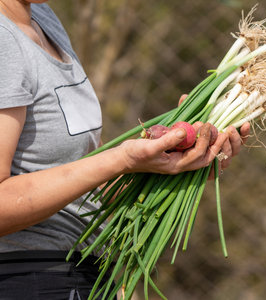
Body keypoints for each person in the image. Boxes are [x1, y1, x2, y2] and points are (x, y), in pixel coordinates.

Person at [0, 0, 250, 298]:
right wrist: (123, 158)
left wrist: (178, 162)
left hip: (86, 271)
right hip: (28, 278)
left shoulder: (42, 18)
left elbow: (84, 173)